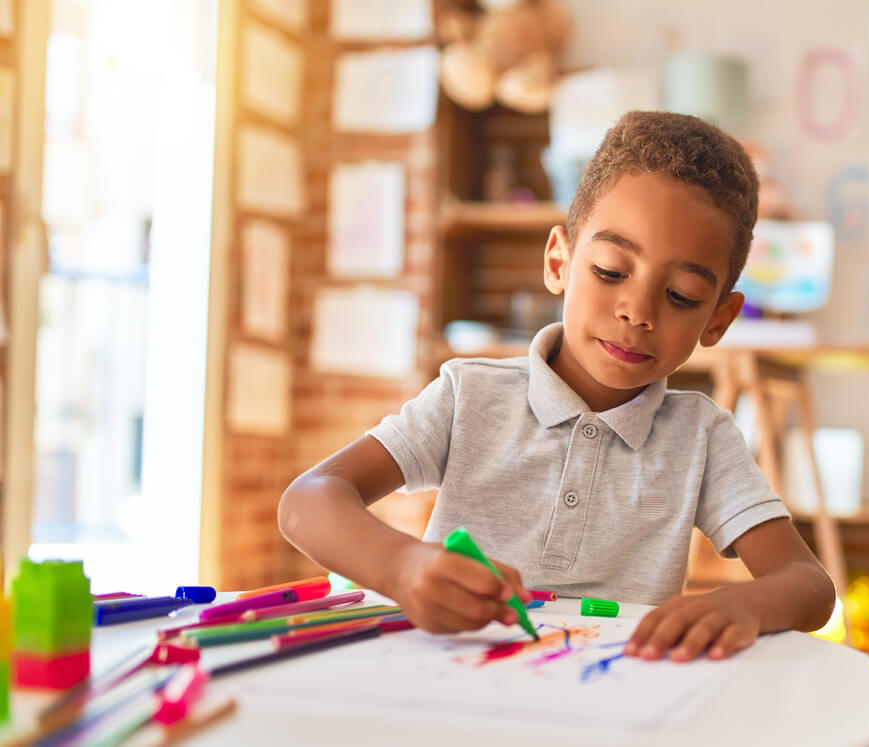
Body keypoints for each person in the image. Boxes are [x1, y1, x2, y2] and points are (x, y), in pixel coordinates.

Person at [279, 111, 835, 662]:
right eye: (612, 271)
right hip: (457, 688)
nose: (637, 311)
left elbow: (809, 585)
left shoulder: (702, 437)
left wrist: (746, 605)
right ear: (559, 261)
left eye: (683, 296)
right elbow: (308, 500)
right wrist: (401, 568)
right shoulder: (468, 395)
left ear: (717, 319)